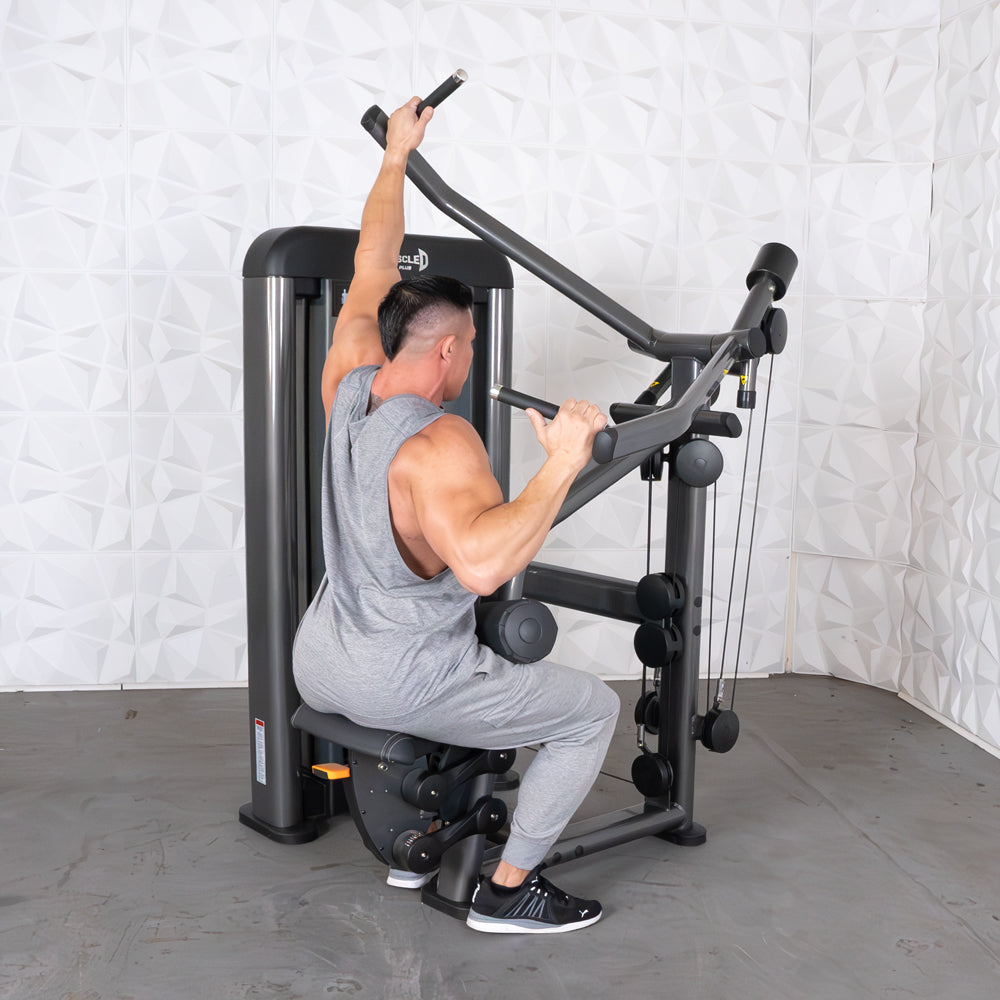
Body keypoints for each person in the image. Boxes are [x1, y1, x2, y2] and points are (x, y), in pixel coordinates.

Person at [292, 96, 620, 934]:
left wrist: (397, 155)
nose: (472, 359)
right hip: (399, 679)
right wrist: (561, 463)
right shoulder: (443, 442)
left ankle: (427, 842)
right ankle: (509, 890)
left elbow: (372, 258)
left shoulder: (350, 374)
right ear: (447, 350)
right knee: (590, 712)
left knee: (482, 659)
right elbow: (481, 567)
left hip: (320, 656)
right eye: (470, 346)